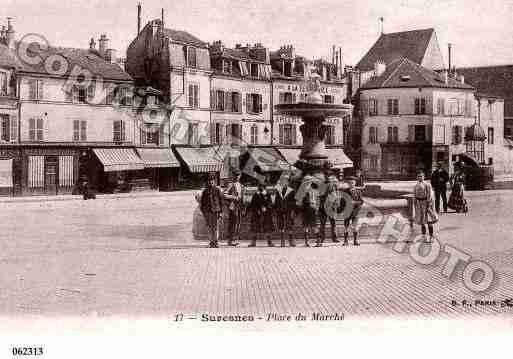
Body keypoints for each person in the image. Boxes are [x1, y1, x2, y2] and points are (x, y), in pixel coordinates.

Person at [413, 171, 439, 242]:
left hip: (426, 204)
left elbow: (430, 195)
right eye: (418, 176)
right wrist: (415, 203)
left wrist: (429, 204)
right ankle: (423, 237)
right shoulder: (416, 185)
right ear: (417, 177)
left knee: (429, 221)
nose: (420, 178)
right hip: (419, 204)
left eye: (421, 176)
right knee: (422, 221)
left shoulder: (427, 184)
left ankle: (431, 236)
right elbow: (414, 195)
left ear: (424, 177)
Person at [200, 173, 224, 248]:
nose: (211, 182)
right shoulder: (205, 191)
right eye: (209, 181)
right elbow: (202, 203)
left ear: (214, 181)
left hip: (215, 211)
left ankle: (216, 241)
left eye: (212, 181)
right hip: (207, 212)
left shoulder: (217, 190)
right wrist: (203, 212)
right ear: (207, 182)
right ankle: (211, 241)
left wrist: (221, 212)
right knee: (209, 227)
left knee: (215, 227)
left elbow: (221, 202)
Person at [248, 182, 275, 247]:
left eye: (262, 187)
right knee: (255, 227)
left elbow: (270, 203)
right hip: (257, 214)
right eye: (259, 186)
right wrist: (257, 210)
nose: (261, 188)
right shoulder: (255, 195)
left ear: (264, 187)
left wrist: (266, 208)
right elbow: (252, 204)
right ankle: (253, 242)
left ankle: (269, 242)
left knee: (267, 227)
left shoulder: (267, 194)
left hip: (266, 213)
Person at [273, 174, 296, 247]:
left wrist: (292, 210)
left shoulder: (291, 191)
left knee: (289, 224)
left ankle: (291, 240)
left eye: (286, 181)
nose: (284, 182)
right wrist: (276, 210)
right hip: (280, 210)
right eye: (283, 181)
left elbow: (294, 202)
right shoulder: (278, 190)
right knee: (281, 224)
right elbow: (276, 201)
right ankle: (282, 240)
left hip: (288, 210)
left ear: (288, 182)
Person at [340, 176, 363, 246]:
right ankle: (345, 241)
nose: (351, 184)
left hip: (355, 212)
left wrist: (355, 203)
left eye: (352, 183)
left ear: (355, 183)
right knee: (346, 226)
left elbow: (361, 201)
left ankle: (355, 240)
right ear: (348, 183)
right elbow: (341, 202)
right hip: (347, 212)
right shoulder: (344, 191)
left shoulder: (358, 191)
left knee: (355, 226)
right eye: (349, 183)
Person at [318, 176, 340, 247]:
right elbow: (319, 196)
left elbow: (337, 195)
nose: (330, 180)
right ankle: (321, 238)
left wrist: (337, 203)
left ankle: (334, 237)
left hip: (332, 207)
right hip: (323, 207)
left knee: (333, 223)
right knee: (322, 224)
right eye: (329, 179)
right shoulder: (322, 186)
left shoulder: (334, 186)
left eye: (331, 179)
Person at [223, 171, 244, 246]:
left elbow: (242, 198)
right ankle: (230, 240)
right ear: (233, 176)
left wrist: (243, 207)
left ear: (240, 176)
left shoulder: (241, 186)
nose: (237, 177)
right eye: (236, 175)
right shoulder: (231, 185)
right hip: (233, 207)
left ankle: (235, 239)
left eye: (238, 175)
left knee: (238, 223)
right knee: (232, 223)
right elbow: (224, 195)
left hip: (239, 207)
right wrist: (234, 197)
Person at [301, 179, 320, 247]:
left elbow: (318, 201)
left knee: (314, 225)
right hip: (305, 210)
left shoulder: (314, 192)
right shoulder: (304, 192)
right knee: (306, 226)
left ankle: (318, 241)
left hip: (312, 210)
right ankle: (307, 242)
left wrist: (316, 208)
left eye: (307, 184)